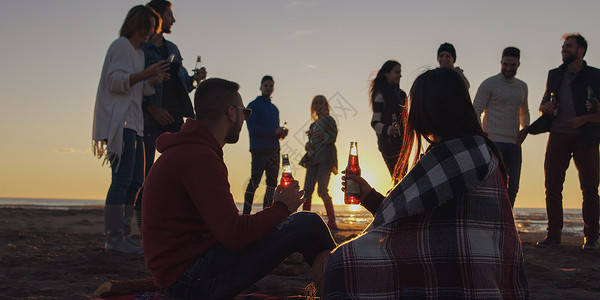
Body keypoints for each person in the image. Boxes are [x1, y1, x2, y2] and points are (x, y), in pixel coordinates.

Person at [323, 68, 529, 299]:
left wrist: (370, 200)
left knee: (339, 264)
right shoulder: (477, 147)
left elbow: (396, 212)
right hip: (487, 270)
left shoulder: (456, 153)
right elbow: (412, 211)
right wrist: (368, 195)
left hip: (468, 275)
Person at [142, 78, 336, 299]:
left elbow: (225, 229)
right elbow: (235, 234)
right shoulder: (199, 157)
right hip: (188, 282)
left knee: (301, 225)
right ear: (231, 113)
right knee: (309, 224)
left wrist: (275, 212)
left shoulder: (191, 151)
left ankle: (331, 288)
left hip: (183, 274)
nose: (245, 119)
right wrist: (282, 208)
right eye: (245, 113)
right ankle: (343, 289)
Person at [92, 5, 169, 254]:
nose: (148, 34)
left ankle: (123, 236)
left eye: (152, 30)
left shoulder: (136, 52)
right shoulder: (122, 46)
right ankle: (114, 239)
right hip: (121, 121)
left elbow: (136, 88)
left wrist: (151, 80)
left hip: (134, 123)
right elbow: (115, 82)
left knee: (137, 179)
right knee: (122, 179)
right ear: (135, 24)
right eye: (146, 28)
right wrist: (146, 73)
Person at [135, 0, 207, 231]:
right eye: (170, 15)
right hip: (148, 119)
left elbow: (182, 84)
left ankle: (171, 224)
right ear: (157, 15)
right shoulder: (141, 49)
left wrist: (195, 80)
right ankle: (141, 227)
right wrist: (152, 108)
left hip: (176, 119)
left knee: (177, 174)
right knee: (143, 176)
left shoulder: (173, 48)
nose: (173, 20)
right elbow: (133, 85)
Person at [536, 33, 600, 250]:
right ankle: (553, 236)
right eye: (563, 46)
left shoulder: (595, 76)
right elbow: (545, 101)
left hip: (586, 137)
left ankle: (591, 238)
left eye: (568, 46)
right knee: (552, 186)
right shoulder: (554, 74)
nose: (564, 50)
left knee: (590, 189)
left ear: (581, 50)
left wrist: (585, 118)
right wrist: (544, 107)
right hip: (558, 135)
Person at [473, 47, 530, 207]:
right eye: (505, 64)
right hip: (492, 142)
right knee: (491, 186)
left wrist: (525, 128)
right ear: (501, 62)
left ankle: (506, 222)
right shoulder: (489, 84)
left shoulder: (522, 86)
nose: (508, 68)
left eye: (512, 65)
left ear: (518, 64)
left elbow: (524, 112)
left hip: (514, 144)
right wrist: (482, 135)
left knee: (512, 188)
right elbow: (476, 110)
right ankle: (491, 221)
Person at [243, 75, 288, 214]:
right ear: (261, 87)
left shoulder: (275, 109)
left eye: (270, 86)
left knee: (272, 184)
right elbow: (253, 129)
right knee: (255, 181)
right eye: (266, 85)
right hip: (259, 149)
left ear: (273, 88)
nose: (268, 88)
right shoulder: (253, 105)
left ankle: (266, 214)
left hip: (274, 149)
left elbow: (275, 133)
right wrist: (273, 131)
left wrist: (281, 133)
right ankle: (245, 213)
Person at [300, 95, 339, 230]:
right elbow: (311, 143)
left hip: (325, 159)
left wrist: (321, 135)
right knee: (307, 191)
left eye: (321, 103)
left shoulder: (329, 120)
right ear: (313, 106)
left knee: (322, 190)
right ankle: (305, 220)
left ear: (326, 105)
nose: (318, 105)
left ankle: (332, 221)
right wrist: (307, 146)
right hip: (312, 159)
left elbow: (333, 138)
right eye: (315, 103)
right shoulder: (312, 124)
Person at [369, 60, 407, 178]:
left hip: (403, 143)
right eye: (396, 72)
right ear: (387, 74)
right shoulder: (380, 95)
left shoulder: (402, 95)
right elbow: (374, 122)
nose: (399, 75)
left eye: (400, 72)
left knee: (403, 176)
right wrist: (388, 129)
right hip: (388, 144)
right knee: (398, 177)